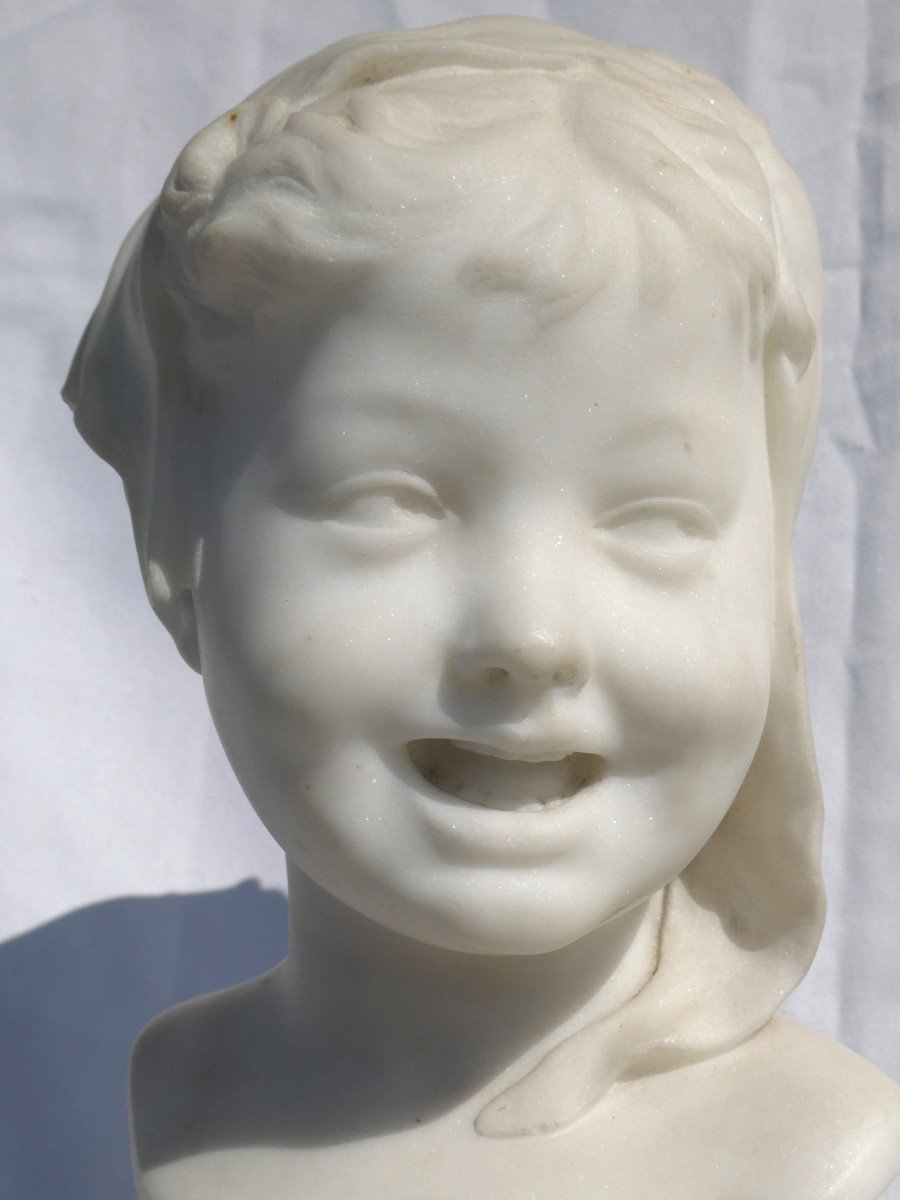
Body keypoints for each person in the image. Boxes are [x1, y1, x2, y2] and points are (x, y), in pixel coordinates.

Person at [63, 17, 900, 1199]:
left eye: (654, 516)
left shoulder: (820, 1156)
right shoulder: (183, 1089)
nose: (528, 637)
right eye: (391, 499)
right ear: (173, 538)